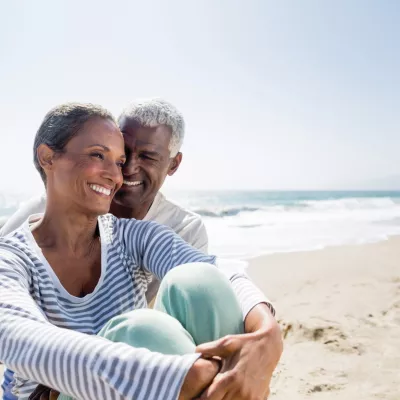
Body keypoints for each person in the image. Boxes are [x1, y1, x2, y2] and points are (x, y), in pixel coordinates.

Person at [0, 103, 282, 400]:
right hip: (51, 392)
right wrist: (179, 377)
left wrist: (265, 329)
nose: (116, 174)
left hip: (146, 383)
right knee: (141, 331)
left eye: (118, 161)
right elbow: (14, 334)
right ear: (48, 157)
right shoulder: (12, 255)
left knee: (199, 279)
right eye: (98, 155)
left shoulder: (134, 236)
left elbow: (216, 269)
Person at [0, 99, 206, 303]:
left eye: (148, 157)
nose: (126, 169)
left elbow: (216, 277)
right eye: (122, 154)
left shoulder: (178, 230)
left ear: (173, 164)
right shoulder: (41, 212)